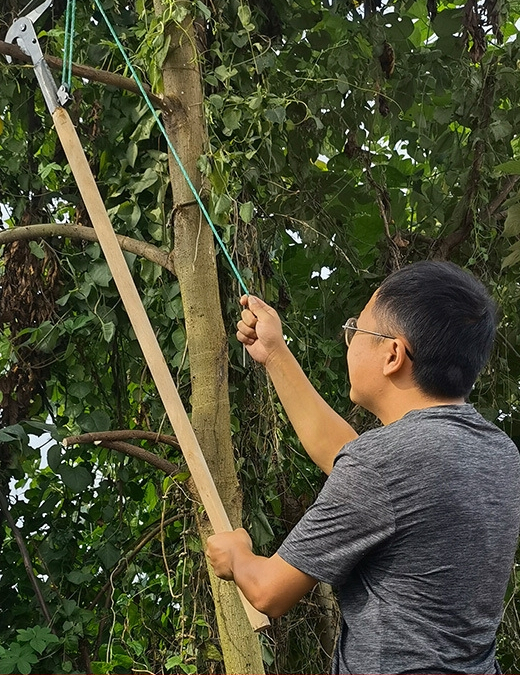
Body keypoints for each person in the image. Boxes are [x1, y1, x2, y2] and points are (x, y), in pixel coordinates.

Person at [206, 261, 520, 674]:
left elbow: (268, 592)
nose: (349, 338)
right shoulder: (499, 452)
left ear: (392, 354)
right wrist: (274, 354)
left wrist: (237, 555)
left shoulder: (382, 465)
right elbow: (347, 458)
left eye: (358, 328)